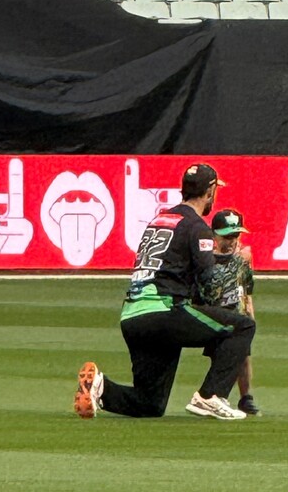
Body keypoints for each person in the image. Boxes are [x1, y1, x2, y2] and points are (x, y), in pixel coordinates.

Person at [74, 163, 256, 421]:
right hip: (164, 312)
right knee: (242, 327)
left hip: (133, 316)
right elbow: (209, 282)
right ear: (209, 192)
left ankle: (100, 388)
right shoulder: (197, 227)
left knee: (150, 403)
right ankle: (210, 396)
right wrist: (237, 263)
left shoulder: (158, 221)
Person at [191, 208, 260, 416]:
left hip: (237, 313)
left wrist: (250, 311)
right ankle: (215, 395)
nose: (231, 241)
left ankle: (246, 397)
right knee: (221, 357)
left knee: (243, 357)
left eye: (235, 235)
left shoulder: (243, 257)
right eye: (227, 236)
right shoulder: (205, 258)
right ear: (214, 235)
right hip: (214, 315)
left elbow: (246, 286)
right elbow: (206, 289)